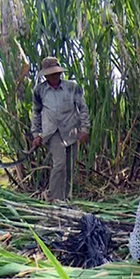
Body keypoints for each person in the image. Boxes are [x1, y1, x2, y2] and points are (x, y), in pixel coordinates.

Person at [30, 57, 90, 201]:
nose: (54, 76)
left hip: (71, 130)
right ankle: (56, 200)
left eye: (56, 73)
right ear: (45, 75)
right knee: (59, 164)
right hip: (52, 132)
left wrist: (84, 129)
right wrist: (36, 134)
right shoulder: (40, 91)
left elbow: (82, 108)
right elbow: (36, 112)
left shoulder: (72, 87)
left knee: (69, 167)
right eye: (50, 74)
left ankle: (66, 199)